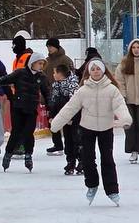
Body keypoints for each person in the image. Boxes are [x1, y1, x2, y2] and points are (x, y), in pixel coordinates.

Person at [49, 58, 130, 205]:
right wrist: (56, 123)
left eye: (98, 69)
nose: (96, 71)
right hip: (87, 128)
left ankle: (112, 190)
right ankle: (92, 185)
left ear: (103, 70)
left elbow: (120, 106)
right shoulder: (83, 91)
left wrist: (125, 119)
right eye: (93, 69)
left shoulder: (112, 89)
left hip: (106, 128)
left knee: (107, 159)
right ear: (89, 72)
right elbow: (70, 108)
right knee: (87, 159)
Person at [0, 52, 51, 172]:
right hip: (18, 108)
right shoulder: (20, 73)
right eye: (39, 63)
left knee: (29, 133)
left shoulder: (42, 77)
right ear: (32, 63)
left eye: (42, 64)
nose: (41, 66)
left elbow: (47, 93)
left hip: (32, 109)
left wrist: (50, 108)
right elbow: (6, 78)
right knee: (16, 132)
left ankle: (28, 155)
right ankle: (8, 154)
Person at [47, 63, 81, 176]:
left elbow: (75, 104)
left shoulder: (73, 84)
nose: (53, 74)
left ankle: (81, 162)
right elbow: (54, 102)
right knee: (68, 140)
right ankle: (70, 162)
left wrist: (72, 118)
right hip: (64, 117)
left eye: (55, 72)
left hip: (75, 118)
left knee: (77, 139)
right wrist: (52, 116)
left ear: (60, 74)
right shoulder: (56, 85)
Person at [43, 38, 74, 154]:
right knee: (52, 119)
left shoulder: (65, 60)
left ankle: (70, 145)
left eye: (51, 46)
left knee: (66, 120)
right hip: (51, 93)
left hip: (64, 94)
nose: (49, 49)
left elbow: (72, 75)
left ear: (57, 47)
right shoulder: (46, 61)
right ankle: (57, 144)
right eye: (48, 47)